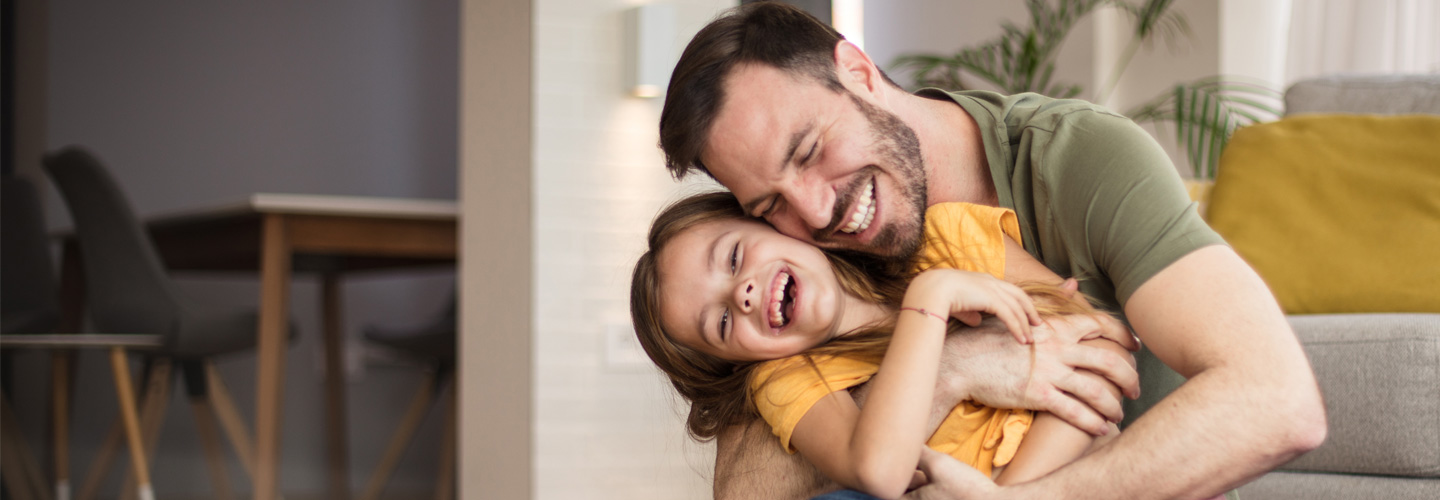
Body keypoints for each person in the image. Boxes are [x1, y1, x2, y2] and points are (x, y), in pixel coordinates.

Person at [656, 3, 1326, 499]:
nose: (815, 210)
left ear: (858, 72)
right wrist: (951, 370)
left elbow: (1279, 401)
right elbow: (748, 491)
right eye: (768, 204)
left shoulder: (1078, 158)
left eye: (808, 151)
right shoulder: (804, 261)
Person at [632, 192, 1136, 499]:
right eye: (720, 322)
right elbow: (879, 470)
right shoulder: (785, 380)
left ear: (768, 219)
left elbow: (1099, 348)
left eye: (735, 255)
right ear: (734, 361)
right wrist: (931, 299)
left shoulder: (944, 237)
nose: (740, 293)